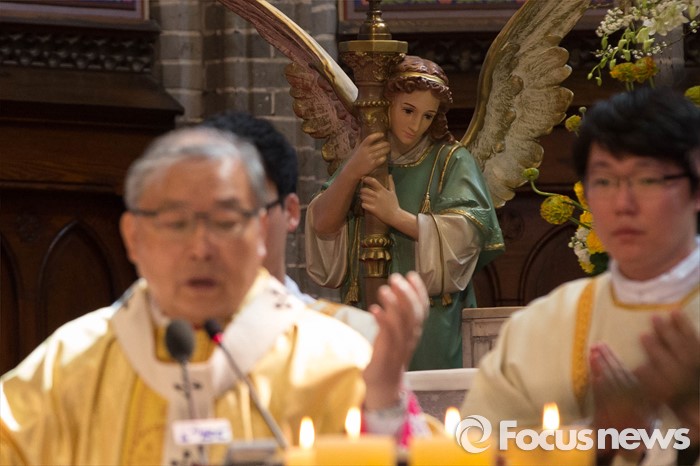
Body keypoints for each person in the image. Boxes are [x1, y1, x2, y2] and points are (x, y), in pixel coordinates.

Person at [0, 126, 430, 465]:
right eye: (175, 223)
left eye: (225, 221)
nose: (201, 248)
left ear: (260, 230)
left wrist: (382, 409)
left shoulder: (337, 364)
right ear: (133, 236)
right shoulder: (67, 368)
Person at [461, 87, 700, 465]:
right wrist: (595, 438)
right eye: (603, 181)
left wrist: (692, 414)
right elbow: (472, 449)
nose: (623, 204)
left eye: (648, 179)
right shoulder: (542, 326)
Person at [305, 55, 505, 370]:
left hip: (430, 320)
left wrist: (396, 215)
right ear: (387, 104)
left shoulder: (452, 160)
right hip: (366, 308)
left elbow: (467, 235)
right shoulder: (366, 156)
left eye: (428, 116)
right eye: (408, 111)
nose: (416, 125)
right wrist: (351, 171)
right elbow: (322, 224)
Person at [200, 111, 378, 342]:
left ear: (291, 212)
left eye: (232, 218)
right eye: (180, 222)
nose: (204, 240)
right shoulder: (158, 334)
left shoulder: (343, 338)